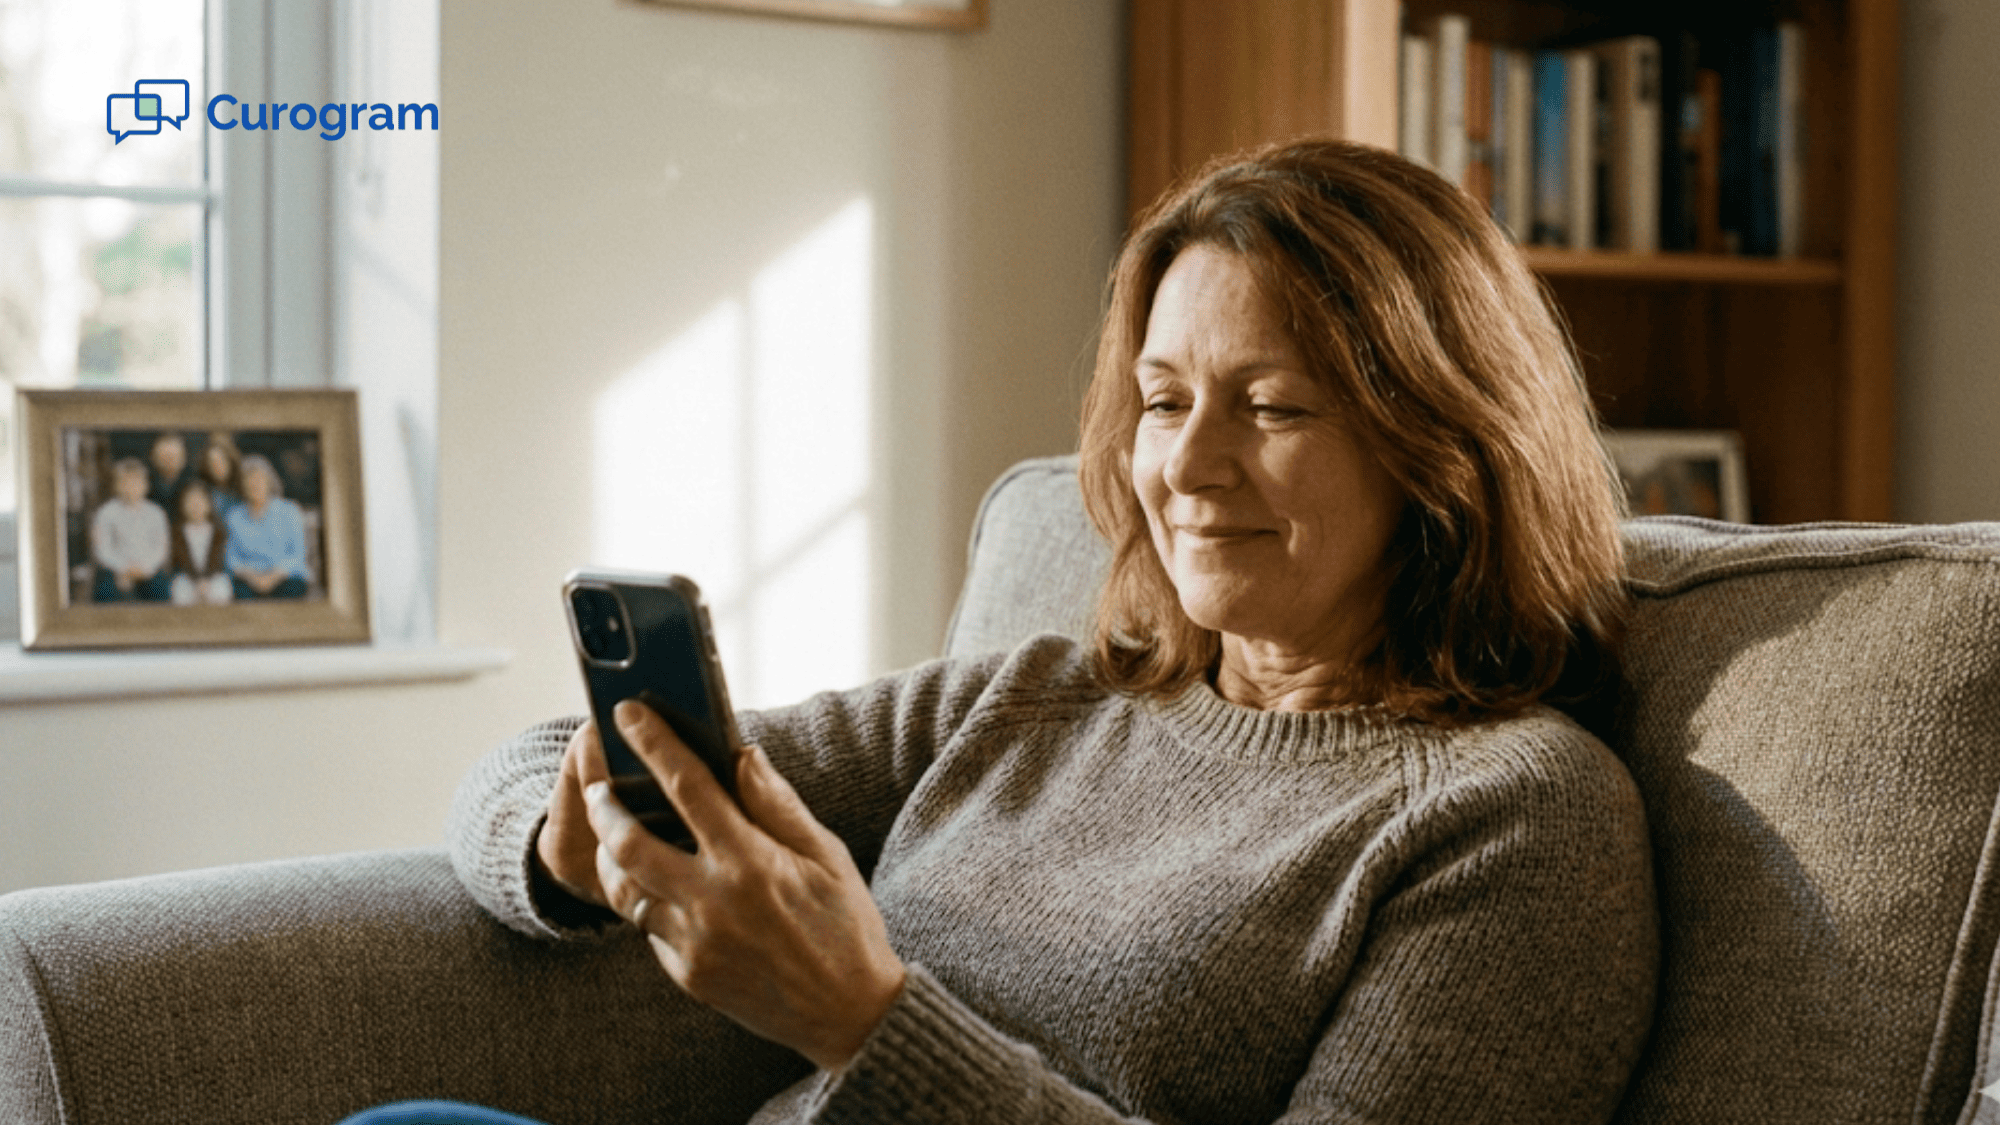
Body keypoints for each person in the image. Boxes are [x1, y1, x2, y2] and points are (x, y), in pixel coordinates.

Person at [402, 140, 1655, 1125]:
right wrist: (566, 852)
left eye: (1270, 406)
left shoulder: (1516, 822)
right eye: (1163, 402)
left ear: (1440, 447)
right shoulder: (1037, 699)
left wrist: (863, 1023)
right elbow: (518, 765)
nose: (1189, 467)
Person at [224, 454, 310, 599]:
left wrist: (272, 577)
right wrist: (252, 576)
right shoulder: (234, 516)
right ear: (242, 485)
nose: (254, 484)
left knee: (292, 591)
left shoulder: (289, 511)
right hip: (249, 578)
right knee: (240, 594)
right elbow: (231, 558)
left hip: (284, 576)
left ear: (269, 482)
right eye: (248, 479)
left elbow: (298, 555)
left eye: (259, 478)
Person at [90, 457, 172, 603]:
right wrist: (123, 569)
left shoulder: (156, 513)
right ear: (116, 485)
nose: (131, 486)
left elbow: (161, 549)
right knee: (105, 592)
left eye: (137, 482)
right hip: (115, 569)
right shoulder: (105, 512)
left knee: (161, 591)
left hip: (147, 569)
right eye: (125, 481)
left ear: (146, 485)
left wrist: (145, 569)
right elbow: (102, 550)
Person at [168, 479, 234, 606]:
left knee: (222, 590)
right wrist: (196, 581)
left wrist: (206, 580)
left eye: (200, 500)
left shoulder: (219, 531)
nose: (195, 505)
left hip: (213, 577)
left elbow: (218, 559)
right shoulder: (177, 532)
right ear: (182, 505)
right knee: (179, 591)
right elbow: (180, 561)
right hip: (187, 577)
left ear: (209, 504)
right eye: (190, 501)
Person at [198, 432, 245, 518]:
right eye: (212, 463)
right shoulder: (206, 492)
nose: (217, 467)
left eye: (221, 461)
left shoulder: (243, 484)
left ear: (230, 460)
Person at [145, 431, 195, 511]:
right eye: (165, 457)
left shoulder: (192, 483)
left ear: (183, 458)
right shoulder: (145, 483)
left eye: (173, 457)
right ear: (154, 458)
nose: (169, 462)